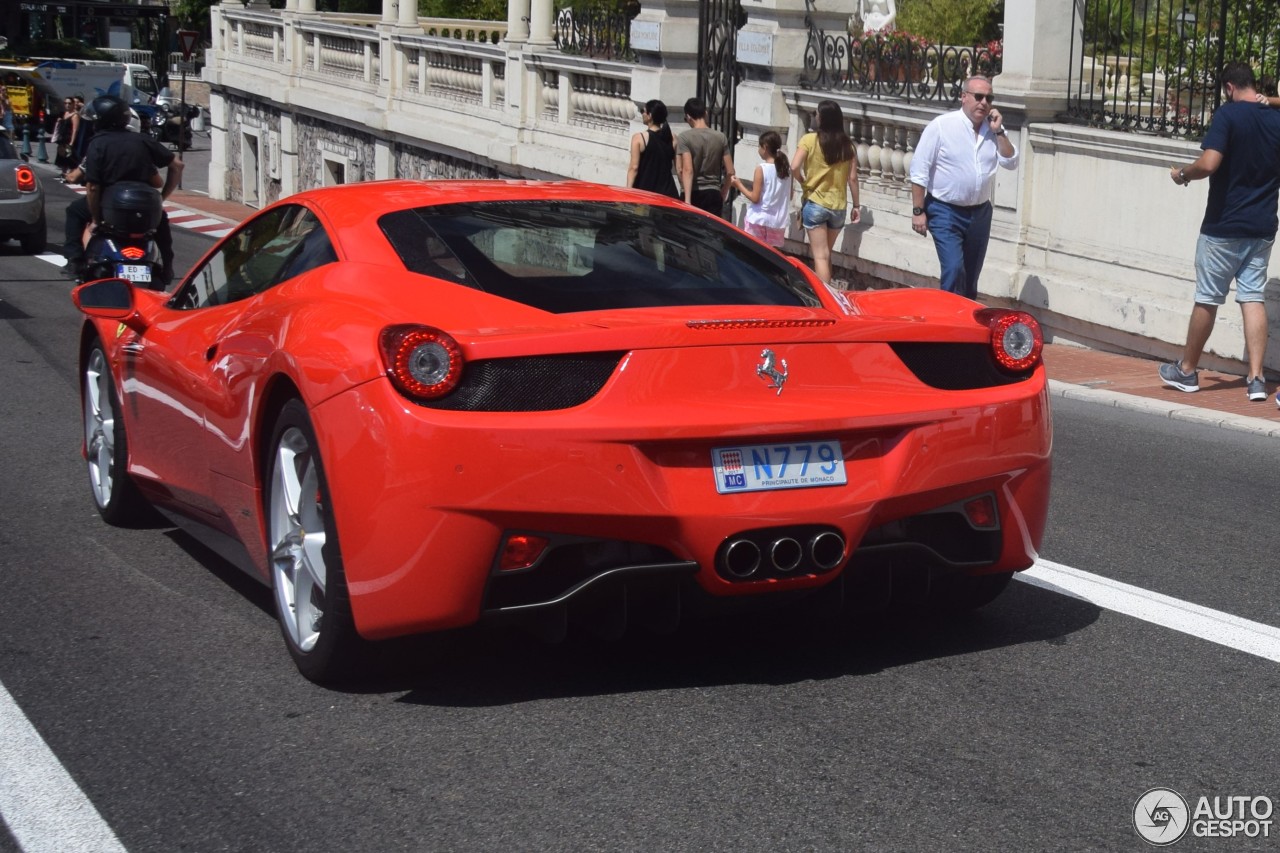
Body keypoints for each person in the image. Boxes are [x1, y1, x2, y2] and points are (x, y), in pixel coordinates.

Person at [1159, 61, 1280, 404]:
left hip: (1224, 226)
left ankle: (1186, 371)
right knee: (1252, 296)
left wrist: (1183, 174)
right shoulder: (1275, 118)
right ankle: (1257, 379)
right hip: (1262, 225)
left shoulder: (1228, 115)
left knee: (1208, 298)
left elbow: (1209, 163)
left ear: (1228, 87)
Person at [909, 75, 1018, 300]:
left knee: (970, 277)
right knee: (953, 269)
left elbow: (1011, 161)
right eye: (978, 97)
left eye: (989, 98)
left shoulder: (994, 129)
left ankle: (965, 326)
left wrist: (999, 131)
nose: (984, 103)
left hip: (980, 213)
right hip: (945, 210)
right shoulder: (941, 126)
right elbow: (919, 170)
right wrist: (918, 211)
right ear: (964, 97)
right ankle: (947, 327)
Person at [63, 94, 184, 283]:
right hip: (146, 206)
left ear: (101, 121)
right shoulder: (142, 140)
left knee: (74, 212)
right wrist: (161, 199)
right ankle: (167, 267)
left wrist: (95, 219)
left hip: (111, 204)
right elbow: (177, 165)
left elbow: (93, 186)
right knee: (162, 225)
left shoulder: (98, 143)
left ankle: (75, 261)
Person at [791, 99, 860, 284]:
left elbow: (794, 166)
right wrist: (857, 206)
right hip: (838, 206)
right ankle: (829, 295)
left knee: (820, 256)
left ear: (822, 118)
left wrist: (801, 180)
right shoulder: (848, 146)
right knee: (826, 255)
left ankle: (825, 299)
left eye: (817, 114)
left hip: (815, 203)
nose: (815, 117)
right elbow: (852, 179)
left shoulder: (809, 140)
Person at [730, 130, 792, 249]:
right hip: (777, 222)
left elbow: (755, 198)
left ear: (765, 147)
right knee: (771, 256)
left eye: (759, 146)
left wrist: (738, 185)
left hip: (758, 220)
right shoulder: (786, 170)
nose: (758, 149)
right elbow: (790, 194)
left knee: (753, 254)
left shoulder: (761, 169)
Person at [676, 98, 734, 217]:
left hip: (692, 192)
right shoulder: (721, 137)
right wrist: (723, 192)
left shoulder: (684, 138)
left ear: (688, 117)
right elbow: (730, 172)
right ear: (706, 113)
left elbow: (686, 170)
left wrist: (687, 200)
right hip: (713, 193)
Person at [626, 99, 680, 198]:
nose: (642, 114)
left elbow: (634, 168)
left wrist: (628, 193)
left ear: (649, 115)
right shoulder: (673, 138)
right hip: (668, 193)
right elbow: (679, 169)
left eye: (643, 111)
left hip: (645, 193)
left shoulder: (639, 138)